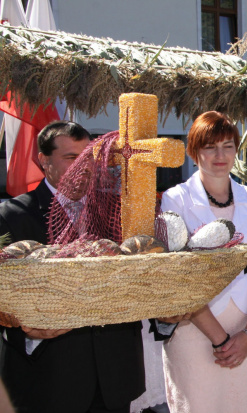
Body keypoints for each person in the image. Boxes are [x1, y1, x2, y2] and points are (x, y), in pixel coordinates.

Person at [0, 121, 146, 413]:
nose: (84, 168)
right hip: (48, 380)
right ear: (43, 160)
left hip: (115, 379)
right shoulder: (11, 217)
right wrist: (24, 331)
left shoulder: (121, 213)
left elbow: (139, 279)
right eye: (71, 158)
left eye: (89, 158)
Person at [160, 111, 247, 413]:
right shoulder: (176, 198)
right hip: (195, 329)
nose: (220, 155)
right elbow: (179, 277)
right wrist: (220, 339)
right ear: (194, 151)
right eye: (210, 147)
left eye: (227, 145)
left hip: (245, 329)